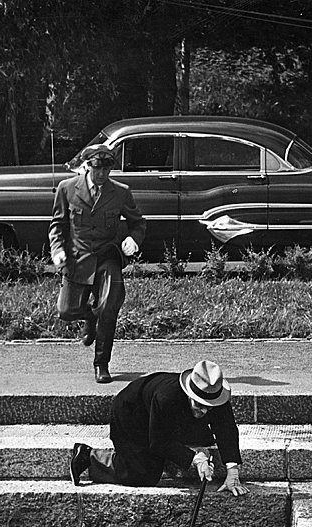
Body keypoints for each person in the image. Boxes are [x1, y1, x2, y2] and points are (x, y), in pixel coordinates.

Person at [69, 359, 249, 496]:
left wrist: (232, 470)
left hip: (170, 418)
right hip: (133, 414)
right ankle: (90, 456)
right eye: (199, 404)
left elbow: (227, 429)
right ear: (189, 394)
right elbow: (159, 441)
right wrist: (193, 458)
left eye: (209, 406)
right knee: (143, 474)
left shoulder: (216, 395)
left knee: (202, 435)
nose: (204, 410)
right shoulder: (166, 397)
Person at [49, 144, 147, 384]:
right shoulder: (67, 189)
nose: (101, 174)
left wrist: (133, 239)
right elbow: (57, 226)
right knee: (66, 311)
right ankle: (89, 318)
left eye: (106, 169)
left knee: (108, 308)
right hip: (78, 258)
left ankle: (101, 364)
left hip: (107, 257)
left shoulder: (120, 192)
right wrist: (58, 250)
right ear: (87, 166)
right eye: (96, 168)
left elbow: (138, 222)